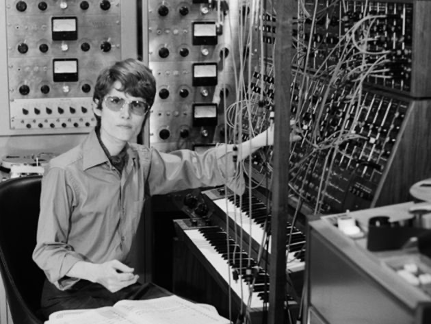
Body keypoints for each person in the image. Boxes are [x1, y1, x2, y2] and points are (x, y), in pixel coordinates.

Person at [32, 58, 294, 318]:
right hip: (71, 293)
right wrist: (95, 272)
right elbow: (46, 251)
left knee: (205, 318)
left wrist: (262, 140)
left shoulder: (141, 161)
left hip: (120, 289)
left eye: (137, 105)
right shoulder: (63, 171)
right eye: (116, 102)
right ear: (98, 107)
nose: (126, 114)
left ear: (145, 114)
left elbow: (195, 166)